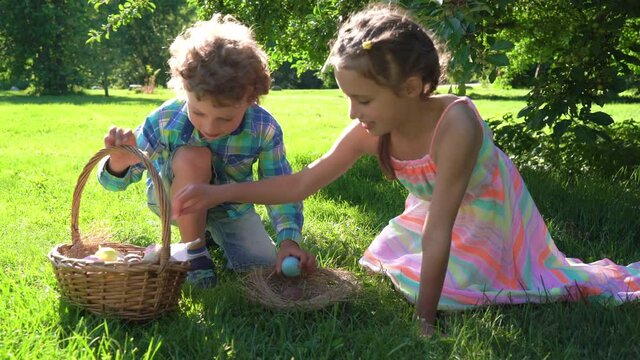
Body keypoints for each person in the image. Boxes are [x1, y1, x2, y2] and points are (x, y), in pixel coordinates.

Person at [170, 3, 640, 336]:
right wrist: (217, 195)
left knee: (455, 293)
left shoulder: (456, 124)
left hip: (488, 216)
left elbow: (442, 228)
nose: (354, 113)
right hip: (433, 212)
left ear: (413, 88)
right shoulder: (375, 127)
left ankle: (494, 276)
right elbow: (302, 182)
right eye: (349, 98)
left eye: (364, 99)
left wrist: (425, 321)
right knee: (386, 262)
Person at [97, 14, 316, 288]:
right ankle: (194, 250)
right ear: (182, 89)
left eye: (225, 118)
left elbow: (281, 188)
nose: (209, 127)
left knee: (260, 263)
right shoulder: (166, 119)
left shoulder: (264, 127)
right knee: (194, 155)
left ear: (251, 100)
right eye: (198, 112)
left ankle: (210, 233)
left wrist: (288, 240)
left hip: (229, 206)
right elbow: (113, 184)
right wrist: (119, 162)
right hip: (174, 199)